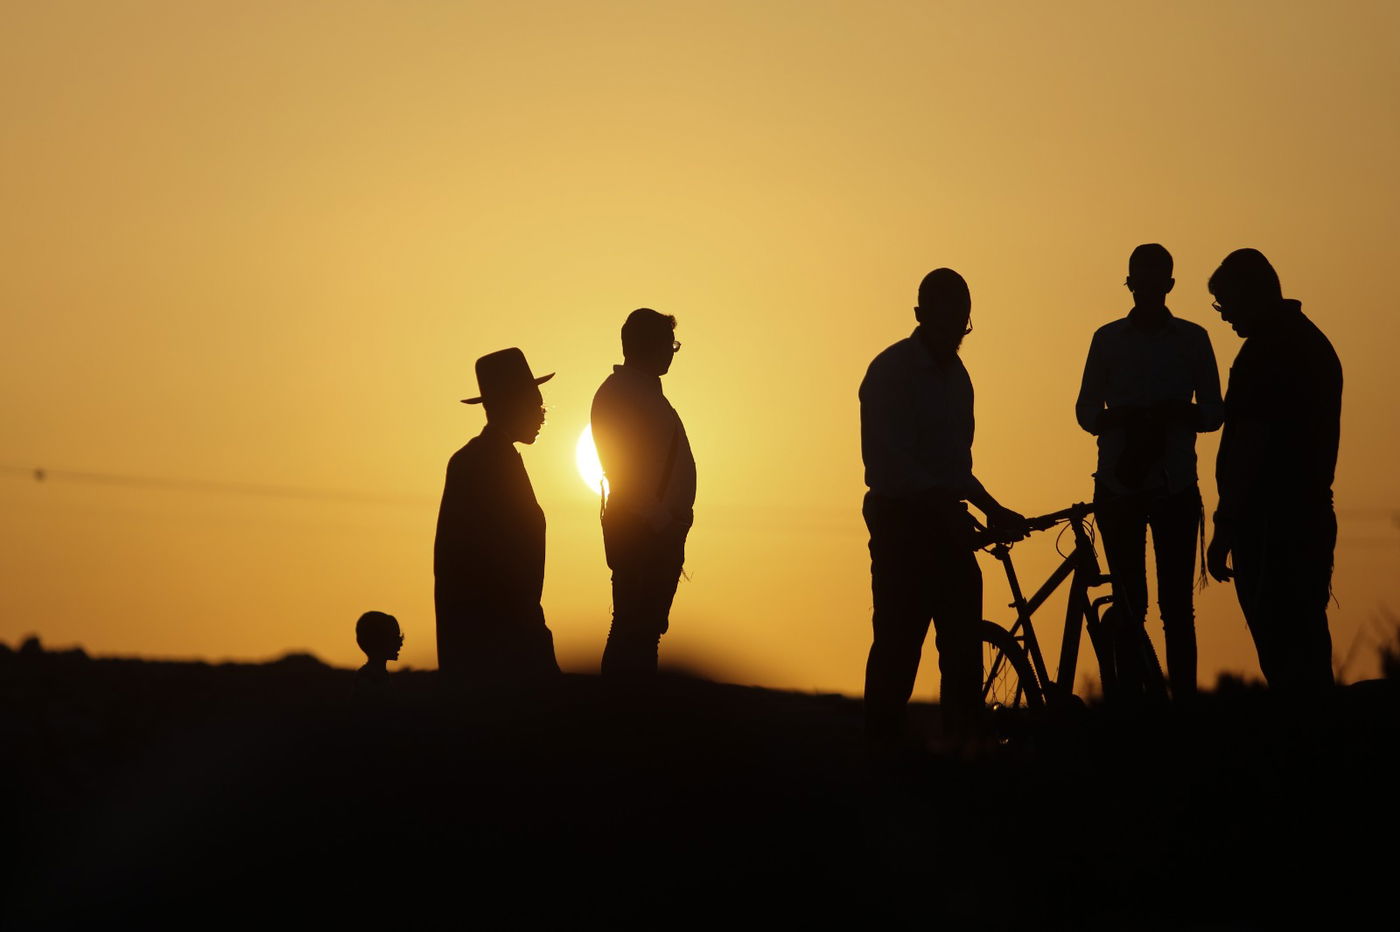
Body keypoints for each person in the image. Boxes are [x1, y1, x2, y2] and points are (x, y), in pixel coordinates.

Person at [859, 268, 1025, 748]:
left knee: (962, 651)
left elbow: (955, 468)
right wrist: (951, 508)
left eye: (963, 324)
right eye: (949, 319)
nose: (957, 332)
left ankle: (964, 751)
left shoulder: (959, 380)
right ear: (921, 315)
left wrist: (993, 508)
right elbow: (890, 465)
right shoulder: (889, 373)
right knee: (898, 646)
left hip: (947, 527)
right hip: (901, 530)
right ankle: (882, 755)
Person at [1075, 244, 1223, 701]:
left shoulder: (1194, 339)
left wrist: (1174, 415)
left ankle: (1179, 710)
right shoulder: (1107, 339)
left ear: (1169, 286)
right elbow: (1084, 412)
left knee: (1176, 608)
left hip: (1174, 485)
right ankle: (1129, 704)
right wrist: (1121, 420)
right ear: (1131, 284)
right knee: (1129, 604)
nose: (1148, 289)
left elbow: (1215, 412)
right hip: (1120, 486)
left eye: (1156, 281)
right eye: (1141, 280)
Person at [1205, 248, 1341, 693]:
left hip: (1267, 524)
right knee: (1308, 639)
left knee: (1281, 648)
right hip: (1312, 515)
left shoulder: (1264, 354)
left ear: (1251, 294)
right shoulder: (1314, 343)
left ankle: (1299, 745)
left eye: (1226, 304)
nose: (1224, 318)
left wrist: (1226, 524)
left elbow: (1250, 444)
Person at [434, 348, 560, 682]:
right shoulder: (481, 463)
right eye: (536, 405)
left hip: (500, 639)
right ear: (512, 404)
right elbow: (465, 566)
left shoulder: (487, 458)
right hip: (497, 647)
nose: (543, 414)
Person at [590, 308, 696, 678]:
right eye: (670, 344)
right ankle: (625, 712)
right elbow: (625, 470)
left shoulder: (639, 393)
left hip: (653, 531)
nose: (672, 352)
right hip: (644, 532)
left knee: (642, 630)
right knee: (634, 630)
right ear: (649, 345)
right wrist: (661, 521)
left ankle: (631, 710)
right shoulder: (624, 394)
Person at [353, 610, 403, 699]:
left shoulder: (380, 675)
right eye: (394, 637)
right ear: (378, 641)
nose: (400, 643)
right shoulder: (367, 679)